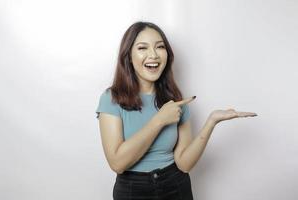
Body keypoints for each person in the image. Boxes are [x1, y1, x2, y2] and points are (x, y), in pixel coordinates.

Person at [95, 21, 257, 200]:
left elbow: (184, 164)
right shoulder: (112, 99)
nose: (153, 55)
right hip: (133, 189)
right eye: (143, 48)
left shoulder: (176, 100)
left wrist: (212, 121)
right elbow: (117, 163)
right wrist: (159, 120)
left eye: (160, 47)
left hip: (175, 185)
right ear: (129, 56)